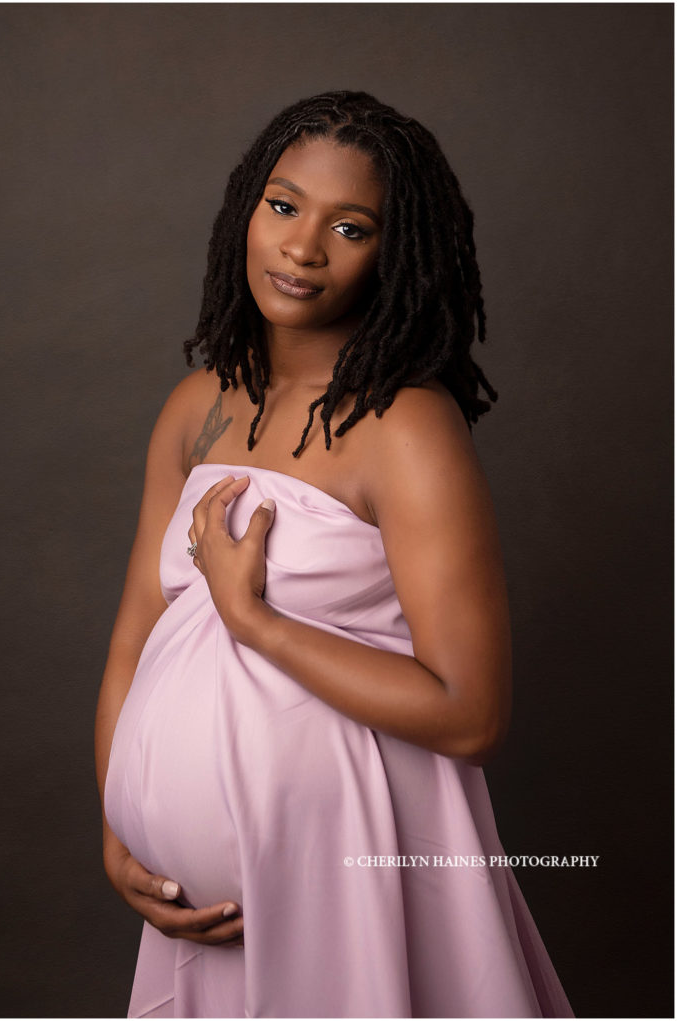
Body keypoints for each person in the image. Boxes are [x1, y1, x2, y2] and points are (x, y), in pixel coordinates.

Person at [96, 91, 573, 1017]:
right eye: (283, 206)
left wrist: (254, 621)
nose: (303, 247)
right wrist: (119, 828)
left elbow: (470, 714)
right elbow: (132, 641)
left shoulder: (407, 427)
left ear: (394, 253)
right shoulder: (197, 406)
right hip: (200, 912)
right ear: (247, 208)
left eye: (349, 227)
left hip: (353, 880)